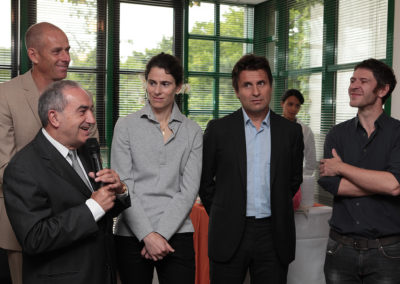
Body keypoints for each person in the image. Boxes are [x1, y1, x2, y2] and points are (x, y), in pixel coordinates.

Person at [3, 80, 130, 284]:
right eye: (82, 111)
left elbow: (102, 212)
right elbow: (34, 238)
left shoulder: (86, 152)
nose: (91, 119)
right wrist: (93, 207)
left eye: (91, 110)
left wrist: (119, 190)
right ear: (54, 117)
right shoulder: (23, 168)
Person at [199, 54, 304, 283]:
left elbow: (294, 180)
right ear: (237, 91)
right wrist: (224, 211)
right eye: (247, 85)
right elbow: (205, 182)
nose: (255, 92)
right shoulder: (218, 130)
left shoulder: (291, 133)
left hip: (274, 234)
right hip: (229, 232)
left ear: (270, 86)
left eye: (261, 83)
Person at [0, 22, 90, 284]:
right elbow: (4, 166)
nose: (67, 58)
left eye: (68, 50)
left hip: (78, 223)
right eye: (57, 51)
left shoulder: (79, 97)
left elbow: (88, 161)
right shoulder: (5, 96)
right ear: (33, 55)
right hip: (25, 225)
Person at [111, 53, 202, 284]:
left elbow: (188, 191)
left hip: (177, 232)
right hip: (131, 232)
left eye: (165, 84)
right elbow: (123, 187)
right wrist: (146, 235)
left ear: (178, 87)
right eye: (152, 82)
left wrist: (159, 235)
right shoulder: (125, 126)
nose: (157, 90)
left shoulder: (193, 131)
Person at [318, 58, 400, 283]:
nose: (354, 85)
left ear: (383, 90)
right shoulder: (336, 134)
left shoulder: (397, 133)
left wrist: (342, 167)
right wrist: (380, 183)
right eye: (353, 80)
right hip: (340, 248)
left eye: (363, 81)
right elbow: (330, 183)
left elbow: (394, 185)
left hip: (387, 251)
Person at [281, 89, 317, 176]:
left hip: (295, 180)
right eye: (290, 104)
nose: (294, 109)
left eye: (297, 106)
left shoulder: (306, 131)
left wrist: (299, 178)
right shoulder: (271, 126)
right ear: (282, 104)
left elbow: (311, 162)